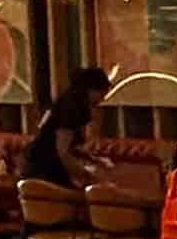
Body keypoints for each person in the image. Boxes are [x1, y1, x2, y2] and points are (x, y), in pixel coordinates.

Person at [21, 64, 112, 194]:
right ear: (91, 90)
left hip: (37, 166)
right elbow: (62, 152)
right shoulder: (72, 109)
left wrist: (92, 158)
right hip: (44, 171)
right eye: (102, 94)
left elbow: (66, 145)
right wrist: (90, 177)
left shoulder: (66, 102)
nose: (102, 99)